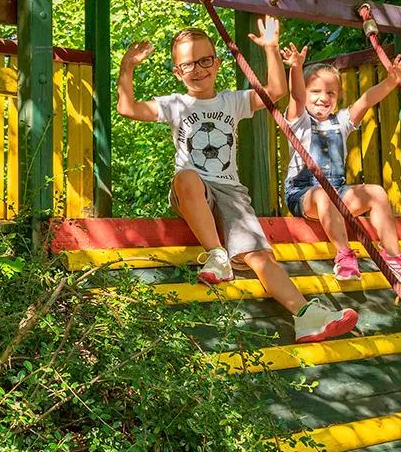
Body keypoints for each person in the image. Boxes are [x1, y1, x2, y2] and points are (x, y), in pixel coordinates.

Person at [118, 19, 359, 344]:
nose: (198, 69)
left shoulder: (232, 101)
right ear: (177, 72)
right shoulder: (174, 104)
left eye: (205, 60)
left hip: (230, 191)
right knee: (187, 176)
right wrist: (127, 67)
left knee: (260, 257)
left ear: (217, 63)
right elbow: (127, 108)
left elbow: (276, 92)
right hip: (193, 190)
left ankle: (305, 315)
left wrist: (271, 48)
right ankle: (217, 255)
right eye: (188, 64)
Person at [281, 46, 401, 287]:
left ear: (338, 96)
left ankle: (393, 256)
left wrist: (391, 81)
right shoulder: (298, 121)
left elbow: (366, 100)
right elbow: (296, 97)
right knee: (323, 194)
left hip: (337, 193)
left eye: (331, 93)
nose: (323, 98)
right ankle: (344, 255)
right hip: (303, 194)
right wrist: (296, 68)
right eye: (315, 91)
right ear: (305, 93)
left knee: (376, 192)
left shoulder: (341, 122)